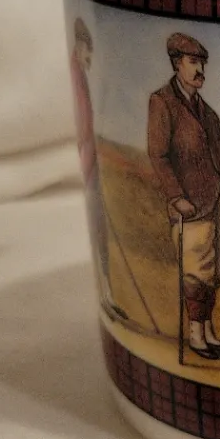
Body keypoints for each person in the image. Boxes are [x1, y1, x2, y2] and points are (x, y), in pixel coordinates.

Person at [146, 32, 220, 359]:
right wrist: (176, 197)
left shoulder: (207, 112)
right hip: (189, 205)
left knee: (215, 268)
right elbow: (158, 155)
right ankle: (197, 335)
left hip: (217, 200)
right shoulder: (162, 102)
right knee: (195, 270)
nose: (200, 70)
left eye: (202, 63)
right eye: (193, 62)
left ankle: (209, 330)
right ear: (177, 63)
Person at [68, 17, 123, 319]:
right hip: (92, 167)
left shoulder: (81, 76)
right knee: (101, 234)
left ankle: (108, 294)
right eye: (89, 52)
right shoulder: (77, 75)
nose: (91, 58)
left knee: (102, 236)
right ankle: (106, 295)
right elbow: (86, 129)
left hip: (93, 166)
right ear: (80, 46)